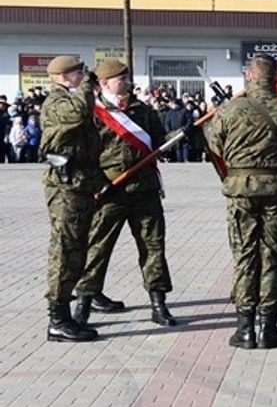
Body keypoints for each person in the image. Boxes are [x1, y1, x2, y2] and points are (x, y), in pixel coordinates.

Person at [203, 53, 277, 348]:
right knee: (273, 255)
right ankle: (268, 328)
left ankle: (245, 328)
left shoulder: (229, 109)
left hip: (241, 191)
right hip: (276, 190)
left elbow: (215, 145)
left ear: (249, 76)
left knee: (245, 255)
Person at [74, 59, 177, 328]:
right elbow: (82, 155)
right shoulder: (92, 113)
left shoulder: (142, 110)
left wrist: (181, 135)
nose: (127, 83)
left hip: (145, 190)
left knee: (153, 246)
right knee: (98, 248)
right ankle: (83, 304)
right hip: (110, 191)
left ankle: (158, 304)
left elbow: (160, 141)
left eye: (127, 78)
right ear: (104, 83)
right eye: (121, 79)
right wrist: (97, 183)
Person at [39, 55, 105, 342]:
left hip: (79, 185)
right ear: (64, 76)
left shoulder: (70, 98)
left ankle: (64, 316)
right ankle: (58, 319)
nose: (84, 76)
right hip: (65, 189)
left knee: (76, 250)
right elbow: (78, 113)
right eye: (80, 72)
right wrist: (89, 85)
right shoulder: (57, 102)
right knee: (65, 251)